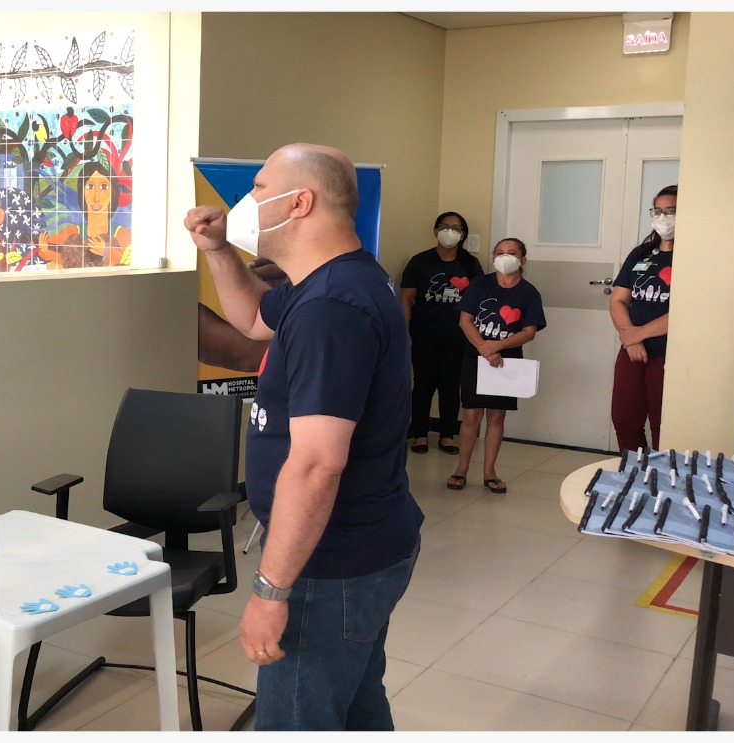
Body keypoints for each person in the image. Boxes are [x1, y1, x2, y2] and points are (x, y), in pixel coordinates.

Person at [185, 143, 423, 731]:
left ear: (300, 202)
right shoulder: (336, 279)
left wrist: (271, 592)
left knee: (298, 720)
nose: (246, 202)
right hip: (361, 549)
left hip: (329, 565)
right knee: (356, 705)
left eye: (259, 188)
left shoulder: (331, 307)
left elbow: (317, 464)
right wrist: (218, 249)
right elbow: (252, 320)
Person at [446, 238, 545, 494]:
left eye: (511, 253)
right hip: (476, 356)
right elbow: (465, 321)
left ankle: (489, 472)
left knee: (497, 415)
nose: (504, 257)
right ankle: (461, 469)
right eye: (499, 252)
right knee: (471, 414)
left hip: (507, 360)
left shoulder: (529, 293)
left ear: (522, 260)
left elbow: (529, 332)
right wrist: (485, 348)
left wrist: (497, 346)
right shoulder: (480, 284)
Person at [400, 211, 483, 454]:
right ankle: (420, 434)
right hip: (424, 334)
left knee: (451, 386)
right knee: (423, 384)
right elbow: (407, 298)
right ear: (435, 231)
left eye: (456, 228)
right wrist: (405, 329)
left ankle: (447, 435)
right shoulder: (420, 261)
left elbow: (478, 299)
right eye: (445, 226)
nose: (450, 231)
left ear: (462, 234)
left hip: (458, 336)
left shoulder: (470, 264)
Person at [610, 185, 676, 453]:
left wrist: (639, 333)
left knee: (663, 424)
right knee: (624, 419)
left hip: (668, 354)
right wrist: (630, 337)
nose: (663, 217)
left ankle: (664, 475)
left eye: (671, 211)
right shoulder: (642, 254)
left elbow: (687, 312)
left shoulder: (694, 257)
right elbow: (618, 300)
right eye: (657, 211)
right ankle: (635, 471)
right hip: (631, 351)